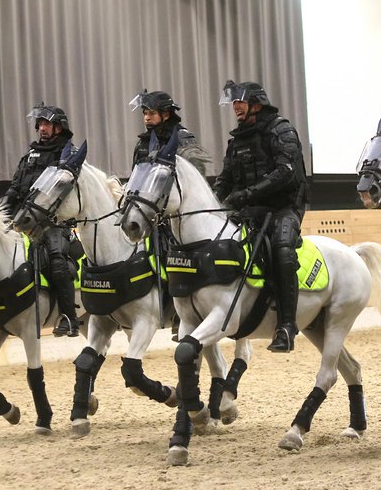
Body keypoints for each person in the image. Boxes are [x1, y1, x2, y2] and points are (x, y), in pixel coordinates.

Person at [213, 80, 309, 352]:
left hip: (283, 208)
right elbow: (226, 178)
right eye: (233, 103)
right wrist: (213, 202)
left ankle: (287, 326)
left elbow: (286, 171)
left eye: (240, 102)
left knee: (281, 249)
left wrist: (247, 194)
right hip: (249, 210)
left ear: (256, 103)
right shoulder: (238, 139)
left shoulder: (282, 129)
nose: (235, 107)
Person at [2, 103, 80, 337]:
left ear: (58, 127)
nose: (42, 129)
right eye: (40, 125)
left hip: (55, 223)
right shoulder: (29, 157)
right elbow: (15, 189)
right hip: (24, 221)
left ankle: (69, 318)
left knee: (57, 262)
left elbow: (68, 191)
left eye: (47, 124)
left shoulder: (68, 155)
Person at [129, 90, 208, 171]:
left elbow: (196, 174)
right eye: (145, 113)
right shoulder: (143, 142)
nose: (147, 118)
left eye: (152, 113)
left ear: (166, 115)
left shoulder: (182, 138)